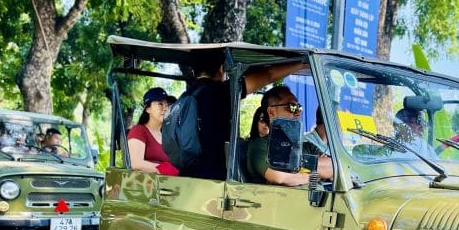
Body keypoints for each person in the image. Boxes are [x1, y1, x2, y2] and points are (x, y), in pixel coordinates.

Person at [181, 49, 306, 180]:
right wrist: (302, 63)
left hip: (187, 176)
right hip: (213, 178)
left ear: (194, 70)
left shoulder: (186, 96)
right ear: (222, 68)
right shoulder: (222, 91)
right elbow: (269, 74)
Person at [247, 86, 333, 186]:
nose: (298, 112)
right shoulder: (260, 145)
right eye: (291, 107)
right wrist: (317, 174)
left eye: (298, 107)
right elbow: (279, 177)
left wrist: (293, 167)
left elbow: (332, 167)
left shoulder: (306, 145)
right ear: (271, 112)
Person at [126, 87, 178, 175]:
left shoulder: (167, 136)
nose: (165, 109)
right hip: (143, 185)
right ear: (148, 109)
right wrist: (164, 168)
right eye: (160, 104)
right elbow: (135, 163)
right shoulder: (139, 130)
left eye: (167, 105)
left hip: (166, 185)